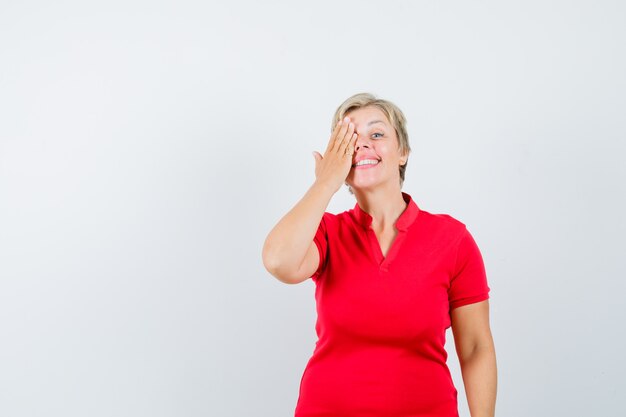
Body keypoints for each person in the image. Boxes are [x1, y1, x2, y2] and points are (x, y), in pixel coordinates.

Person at [262, 93, 497, 417]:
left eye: (377, 134)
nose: (362, 145)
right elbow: (279, 261)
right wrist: (326, 182)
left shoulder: (452, 239)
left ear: (403, 152)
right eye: (349, 139)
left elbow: (475, 348)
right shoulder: (328, 233)